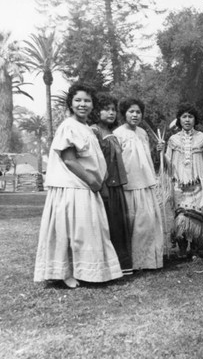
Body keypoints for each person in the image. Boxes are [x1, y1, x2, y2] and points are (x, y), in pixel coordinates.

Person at [34, 83, 123, 288]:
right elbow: (69, 160)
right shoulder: (68, 125)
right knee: (72, 230)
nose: (83, 104)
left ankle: (86, 271)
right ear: (71, 104)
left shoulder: (86, 128)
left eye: (87, 100)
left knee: (86, 231)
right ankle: (65, 273)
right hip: (72, 187)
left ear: (92, 104)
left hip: (86, 187)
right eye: (78, 100)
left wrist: (99, 182)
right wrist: (93, 182)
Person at [157, 103, 203, 259]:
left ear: (195, 119)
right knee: (181, 217)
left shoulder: (202, 138)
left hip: (197, 183)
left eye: (190, 116)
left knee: (196, 217)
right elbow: (167, 163)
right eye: (184, 117)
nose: (187, 120)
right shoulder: (173, 140)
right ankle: (182, 248)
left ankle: (195, 247)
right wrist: (161, 153)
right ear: (179, 119)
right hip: (179, 184)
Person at [114, 98, 164, 270]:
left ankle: (147, 261)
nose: (135, 115)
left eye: (138, 112)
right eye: (131, 111)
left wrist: (158, 151)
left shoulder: (143, 133)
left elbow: (146, 158)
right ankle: (132, 262)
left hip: (145, 182)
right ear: (124, 113)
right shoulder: (118, 134)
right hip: (129, 184)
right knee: (132, 224)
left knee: (147, 223)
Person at [90, 93, 133, 275]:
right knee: (106, 227)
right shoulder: (94, 131)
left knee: (118, 226)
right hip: (104, 186)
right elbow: (94, 161)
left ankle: (121, 267)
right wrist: (102, 186)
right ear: (96, 111)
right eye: (106, 109)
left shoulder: (112, 133)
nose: (111, 113)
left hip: (117, 188)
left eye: (113, 110)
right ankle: (105, 268)